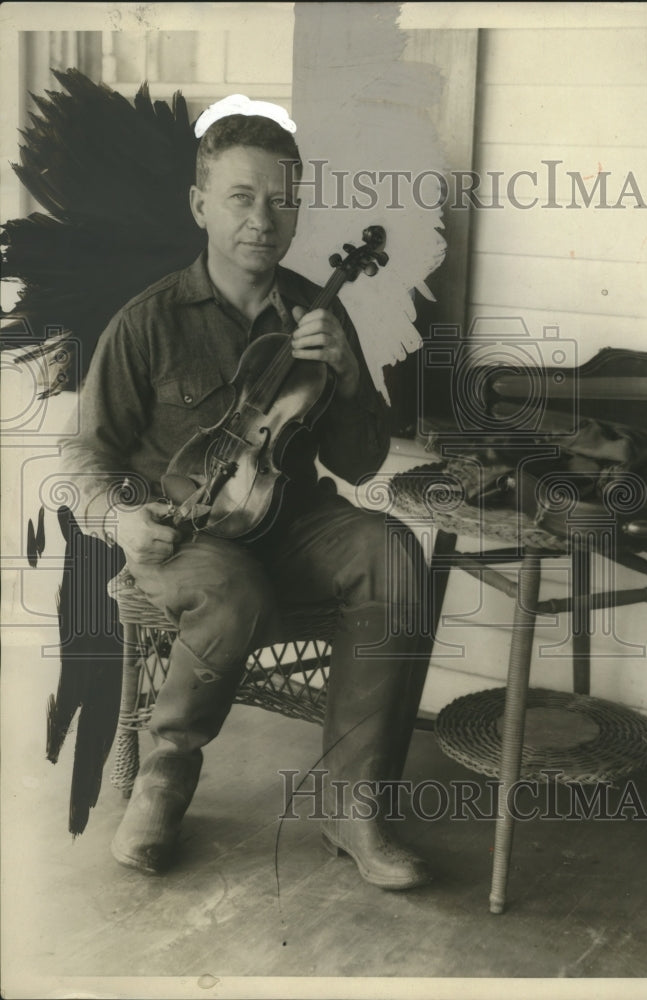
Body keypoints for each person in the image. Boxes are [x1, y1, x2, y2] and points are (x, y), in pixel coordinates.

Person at [58, 99, 432, 890]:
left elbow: (361, 465)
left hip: (293, 523)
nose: (263, 218)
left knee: (393, 550)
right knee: (233, 585)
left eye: (281, 199)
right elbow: (85, 452)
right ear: (201, 206)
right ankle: (167, 773)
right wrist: (121, 519)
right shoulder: (147, 322)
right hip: (187, 540)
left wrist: (351, 375)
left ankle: (353, 805)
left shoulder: (321, 314)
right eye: (240, 197)